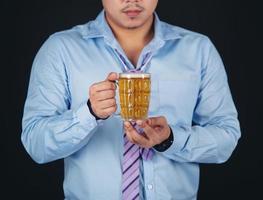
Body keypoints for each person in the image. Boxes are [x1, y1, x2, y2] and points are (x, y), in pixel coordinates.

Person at [21, 0, 241, 199]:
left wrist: (171, 140)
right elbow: (36, 143)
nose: (132, 0)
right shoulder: (60, 49)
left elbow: (226, 136)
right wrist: (88, 114)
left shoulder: (199, 50)